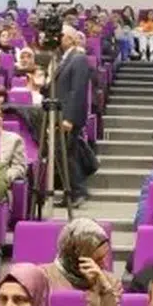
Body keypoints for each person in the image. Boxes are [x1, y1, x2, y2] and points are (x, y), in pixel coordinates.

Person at [42, 217, 122, 306]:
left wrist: (105, 290)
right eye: (97, 260)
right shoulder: (43, 277)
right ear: (76, 259)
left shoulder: (110, 282)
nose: (104, 265)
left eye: (105, 256)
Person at [55, 26, 94, 207]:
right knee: (65, 154)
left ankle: (78, 191)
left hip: (69, 116)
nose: (58, 38)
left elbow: (77, 91)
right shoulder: (64, 58)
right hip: (61, 114)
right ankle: (69, 193)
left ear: (70, 38)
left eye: (62, 35)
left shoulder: (78, 58)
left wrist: (69, 118)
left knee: (68, 155)